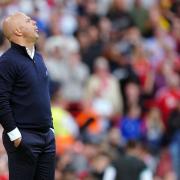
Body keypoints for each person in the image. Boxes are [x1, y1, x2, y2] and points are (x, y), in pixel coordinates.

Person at [0, 12, 55, 180]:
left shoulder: (38, 58)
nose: (34, 22)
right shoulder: (7, 61)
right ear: (18, 31)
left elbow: (43, 96)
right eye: (27, 20)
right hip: (24, 137)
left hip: (46, 137)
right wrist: (15, 135)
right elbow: (1, 100)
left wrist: (50, 128)